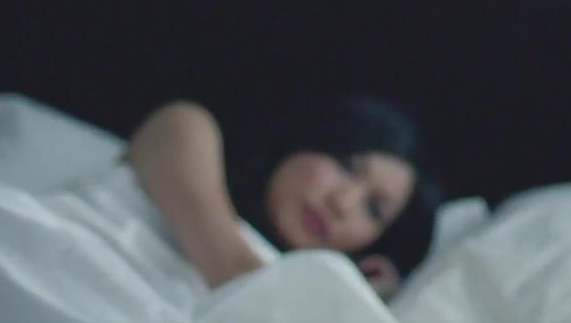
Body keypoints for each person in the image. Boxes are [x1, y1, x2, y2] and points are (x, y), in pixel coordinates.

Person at [128, 94, 443, 299]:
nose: (342, 203)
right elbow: (233, 269)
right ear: (309, 141)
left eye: (373, 209)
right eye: (347, 166)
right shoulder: (188, 132)